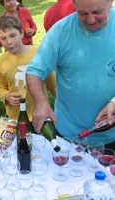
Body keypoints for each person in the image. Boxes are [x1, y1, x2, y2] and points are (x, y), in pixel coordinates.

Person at [26, 0, 115, 149]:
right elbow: (35, 71)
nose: (91, 20)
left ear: (111, 2)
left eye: (97, 12)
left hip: (111, 134)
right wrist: (41, 102)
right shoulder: (61, 31)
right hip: (68, 135)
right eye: (83, 13)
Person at [0, 15, 56, 126]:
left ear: (22, 33)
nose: (9, 42)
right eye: (3, 38)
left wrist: (63, 104)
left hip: (40, 114)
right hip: (15, 119)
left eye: (13, 36)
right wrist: (7, 96)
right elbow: (0, 87)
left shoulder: (38, 53)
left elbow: (52, 82)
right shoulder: (0, 63)